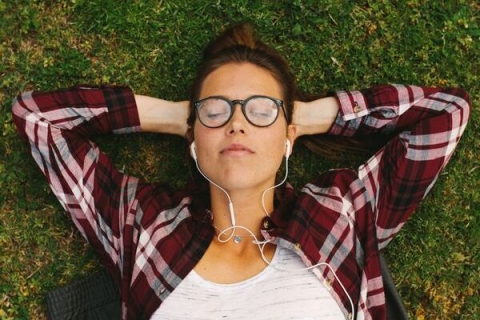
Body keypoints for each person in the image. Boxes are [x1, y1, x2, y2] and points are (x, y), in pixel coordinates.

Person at [12, 23, 470, 320]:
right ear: (193, 135)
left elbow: (446, 112)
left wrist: (309, 117)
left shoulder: (341, 213)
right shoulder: (142, 225)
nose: (237, 122)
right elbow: (37, 119)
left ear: (287, 134)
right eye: (215, 110)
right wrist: (175, 117)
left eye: (260, 110)